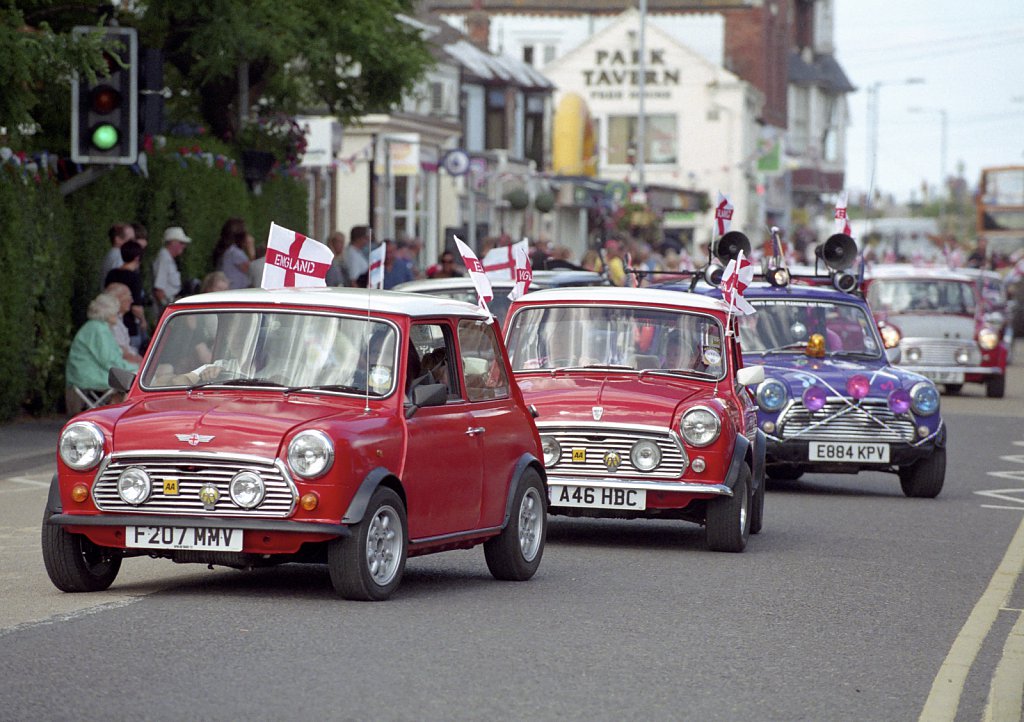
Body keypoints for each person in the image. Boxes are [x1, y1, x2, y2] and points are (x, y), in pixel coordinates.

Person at [65, 293, 140, 414]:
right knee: (133, 380)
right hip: (89, 375)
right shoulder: (99, 330)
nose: (118, 314)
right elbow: (109, 361)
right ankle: (121, 416)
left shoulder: (96, 327)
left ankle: (114, 413)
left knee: (129, 380)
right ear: (107, 312)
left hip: (85, 373)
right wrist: (136, 368)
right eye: (115, 311)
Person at [103, 239, 149, 353]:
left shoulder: (112, 274)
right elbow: (136, 307)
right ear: (137, 258)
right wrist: (143, 321)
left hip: (110, 318)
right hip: (129, 324)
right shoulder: (134, 277)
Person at [153, 225, 191, 315]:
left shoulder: (168, 258)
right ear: (173, 242)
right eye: (181, 243)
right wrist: (167, 310)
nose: (184, 246)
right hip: (168, 307)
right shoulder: (164, 258)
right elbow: (159, 289)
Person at [103, 282, 143, 364]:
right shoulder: (112, 323)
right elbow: (123, 354)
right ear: (117, 299)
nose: (131, 301)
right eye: (129, 297)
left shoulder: (118, 319)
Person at [213, 218, 252, 289]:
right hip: (234, 292)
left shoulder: (227, 250)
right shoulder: (235, 253)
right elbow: (252, 271)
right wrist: (251, 249)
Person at [99, 222, 135, 290]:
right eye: (130, 240)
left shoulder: (115, 255)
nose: (133, 244)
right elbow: (117, 285)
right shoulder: (117, 257)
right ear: (117, 239)